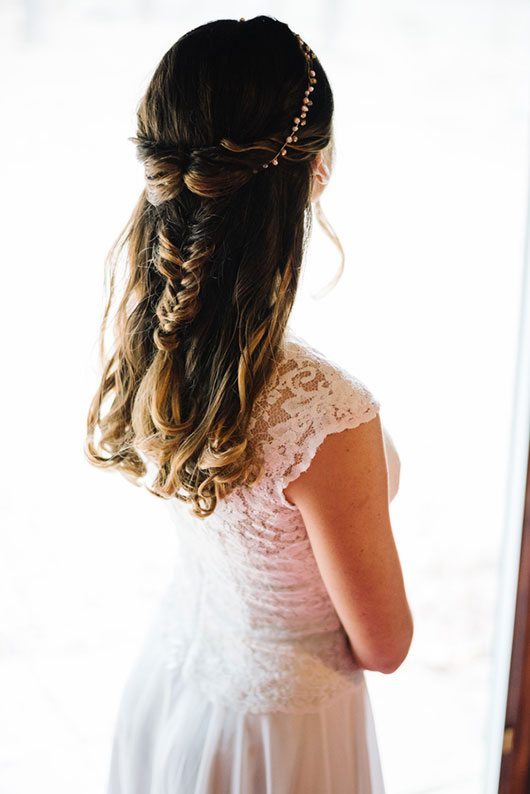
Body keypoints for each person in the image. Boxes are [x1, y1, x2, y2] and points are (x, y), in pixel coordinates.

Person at [85, 14, 413, 794]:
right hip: (281, 742)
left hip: (178, 687)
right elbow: (386, 643)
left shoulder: (154, 332)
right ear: (317, 167)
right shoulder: (325, 416)